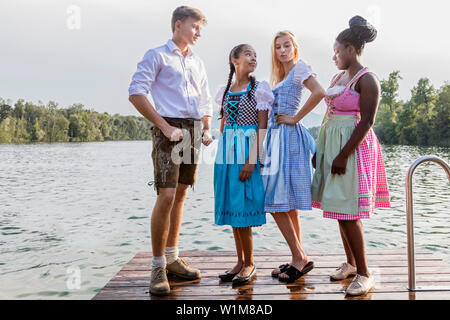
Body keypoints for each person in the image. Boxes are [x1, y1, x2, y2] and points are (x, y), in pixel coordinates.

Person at [128, 6, 213, 296]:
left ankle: (173, 258)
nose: (199, 32)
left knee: (180, 195)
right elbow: (136, 92)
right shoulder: (157, 55)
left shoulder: (198, 62)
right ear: (178, 25)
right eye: (195, 26)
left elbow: (205, 100)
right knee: (166, 196)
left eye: (201, 28)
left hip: (192, 130)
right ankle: (156, 266)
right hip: (169, 130)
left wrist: (206, 127)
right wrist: (164, 127)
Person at [311, 16, 391, 296]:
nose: (333, 57)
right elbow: (328, 113)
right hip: (332, 144)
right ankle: (351, 262)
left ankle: (365, 273)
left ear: (350, 49)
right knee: (337, 208)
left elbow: (367, 121)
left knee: (349, 212)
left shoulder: (367, 79)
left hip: (351, 148)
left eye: (337, 51)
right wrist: (320, 151)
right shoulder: (337, 77)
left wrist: (343, 155)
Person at [263, 31, 326, 283]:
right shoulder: (280, 76)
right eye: (278, 47)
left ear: (295, 48)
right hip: (277, 139)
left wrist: (295, 118)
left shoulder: (299, 68)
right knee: (286, 203)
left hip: (289, 139)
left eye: (287, 45)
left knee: (275, 198)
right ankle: (297, 257)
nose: (282, 50)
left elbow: (319, 92)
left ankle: (299, 256)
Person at [214, 44, 273, 285]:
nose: (254, 58)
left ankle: (250, 263)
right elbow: (224, 123)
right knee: (233, 205)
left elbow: (262, 128)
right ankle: (239, 261)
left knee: (245, 206)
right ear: (234, 60)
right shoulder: (225, 90)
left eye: (255, 55)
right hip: (227, 152)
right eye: (248, 54)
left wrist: (252, 160)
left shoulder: (259, 89)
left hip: (247, 150)